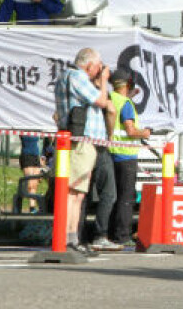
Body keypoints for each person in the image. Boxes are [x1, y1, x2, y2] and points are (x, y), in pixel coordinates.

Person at [54, 48, 113, 255]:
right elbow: (102, 101)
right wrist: (103, 81)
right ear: (89, 65)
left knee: (78, 194)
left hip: (83, 142)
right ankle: (66, 239)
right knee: (72, 193)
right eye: (98, 66)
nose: (100, 70)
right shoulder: (77, 77)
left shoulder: (71, 77)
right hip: (80, 143)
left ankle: (72, 238)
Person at [108, 69, 150, 247]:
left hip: (111, 154)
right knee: (126, 199)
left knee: (112, 197)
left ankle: (109, 234)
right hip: (126, 156)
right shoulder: (126, 104)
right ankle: (122, 236)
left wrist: (130, 95)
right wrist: (145, 133)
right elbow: (130, 130)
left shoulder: (110, 98)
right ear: (128, 84)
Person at [18, 135, 43, 213]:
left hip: (36, 156)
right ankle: (29, 206)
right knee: (30, 183)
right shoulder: (23, 131)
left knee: (35, 183)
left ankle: (32, 207)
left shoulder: (36, 130)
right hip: (26, 156)